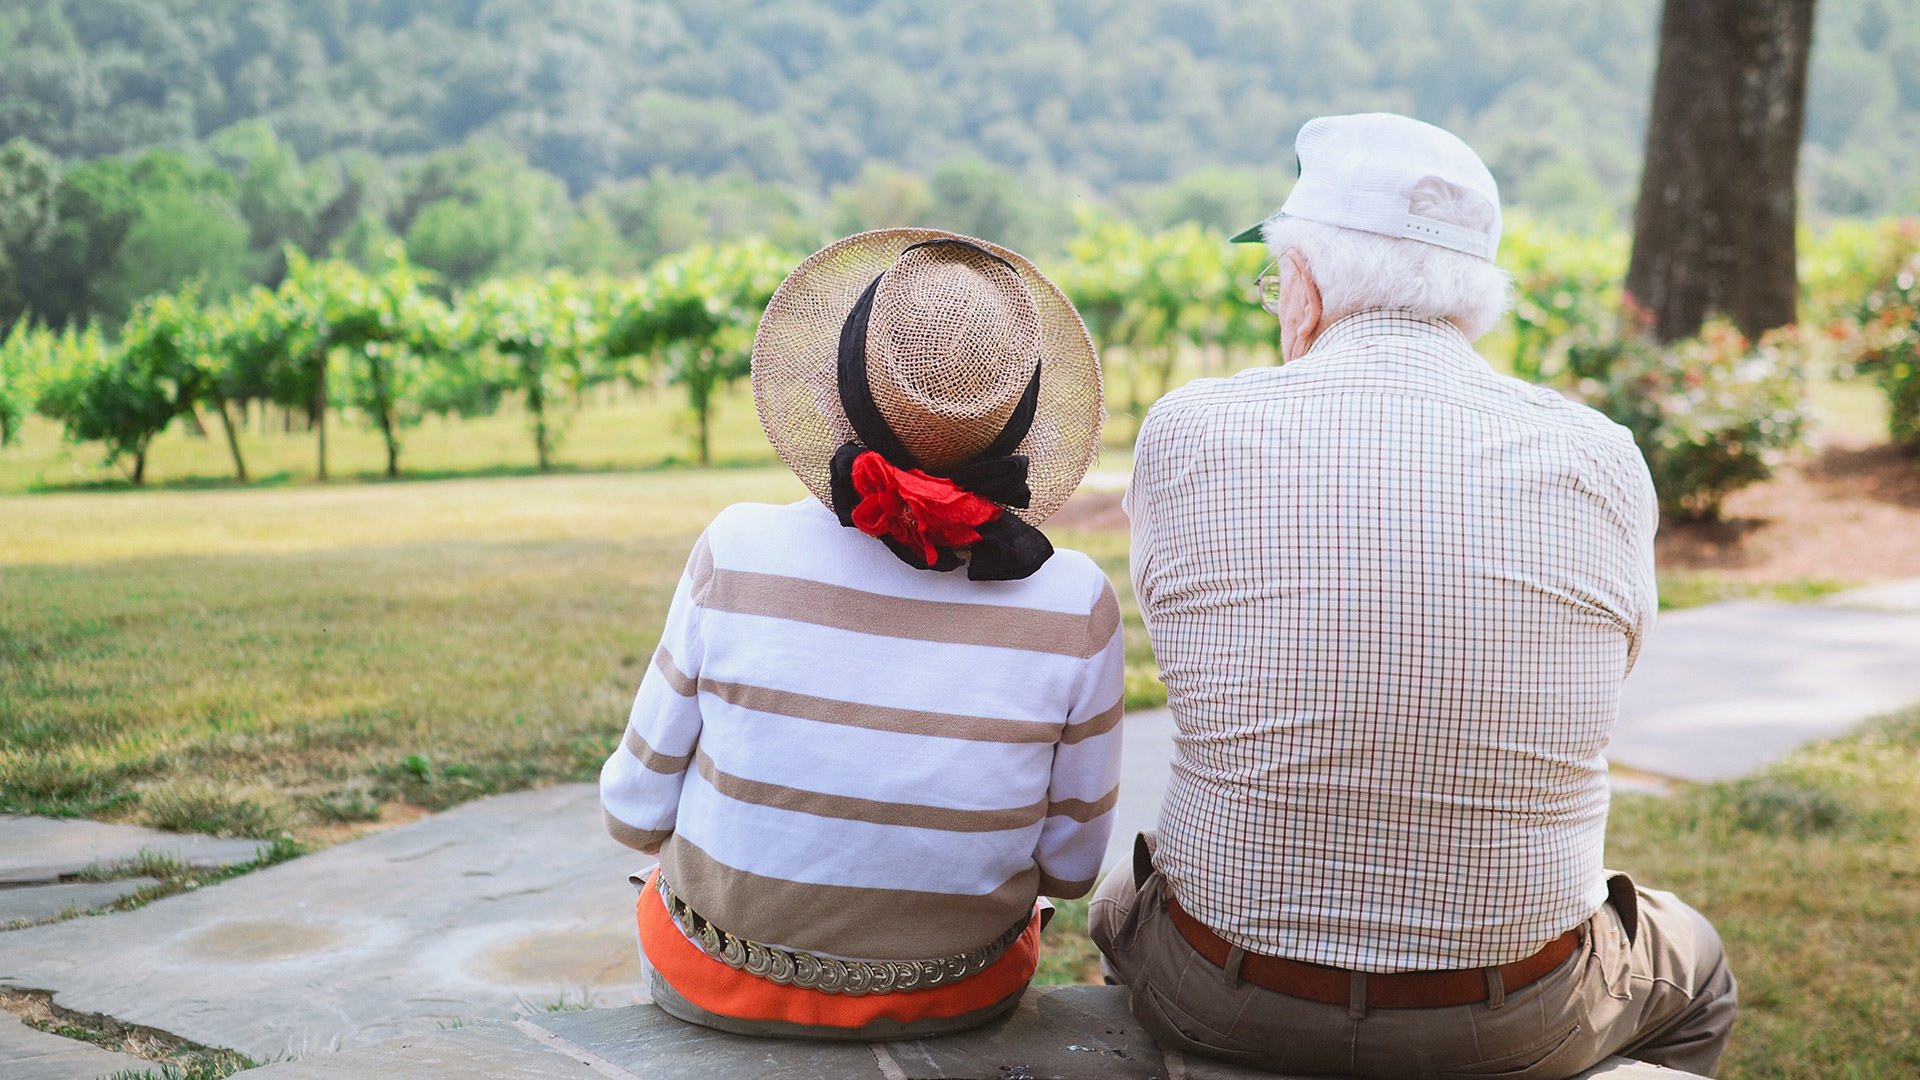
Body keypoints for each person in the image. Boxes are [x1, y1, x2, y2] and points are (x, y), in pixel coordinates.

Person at [1092, 113, 1737, 1079]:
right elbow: (1615, 665)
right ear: (1475, 297)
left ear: (1304, 282)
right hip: (1518, 1013)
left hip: (1222, 993)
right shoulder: (1601, 455)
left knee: (1118, 905)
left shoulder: (1192, 428)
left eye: (1276, 278)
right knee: (1702, 970)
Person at [600, 229, 1125, 1040]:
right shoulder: (1073, 599)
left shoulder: (737, 548)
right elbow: (1073, 870)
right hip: (959, 993)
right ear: (1017, 419)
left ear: (841, 386)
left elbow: (633, 810)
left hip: (715, 977)